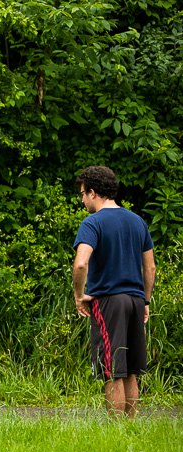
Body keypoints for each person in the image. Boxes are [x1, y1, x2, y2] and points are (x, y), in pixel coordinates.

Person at [72, 166, 155, 419]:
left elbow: (81, 263)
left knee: (111, 368)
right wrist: (146, 301)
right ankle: (130, 426)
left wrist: (79, 295)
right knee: (130, 369)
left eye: (83, 194)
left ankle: (117, 431)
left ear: (94, 192)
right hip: (135, 300)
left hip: (109, 302)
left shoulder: (92, 222)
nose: (83, 200)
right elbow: (150, 266)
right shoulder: (137, 221)